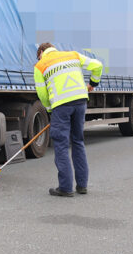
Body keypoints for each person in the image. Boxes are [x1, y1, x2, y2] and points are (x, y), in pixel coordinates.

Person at [34, 42, 103, 197]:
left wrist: (50, 109)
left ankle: (65, 188)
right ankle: (82, 186)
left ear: (41, 52)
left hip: (61, 105)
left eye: (38, 56)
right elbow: (97, 65)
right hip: (80, 101)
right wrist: (92, 84)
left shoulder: (40, 66)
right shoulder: (73, 55)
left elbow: (42, 94)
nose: (38, 59)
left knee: (61, 144)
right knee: (78, 141)